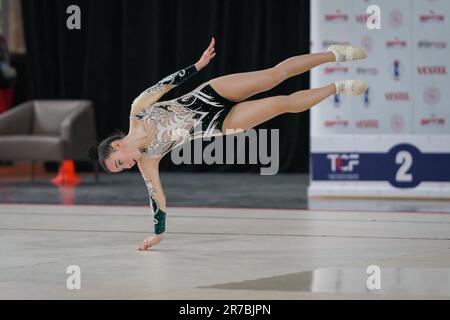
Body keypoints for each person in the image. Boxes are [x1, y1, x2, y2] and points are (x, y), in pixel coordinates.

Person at [88, 37, 368, 250]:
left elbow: (166, 84)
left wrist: (197, 66)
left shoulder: (138, 109)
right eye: (122, 169)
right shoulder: (148, 161)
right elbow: (156, 198)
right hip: (219, 124)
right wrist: (159, 232)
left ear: (117, 146)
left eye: (119, 164)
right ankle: (337, 87)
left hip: (208, 95)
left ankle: (334, 54)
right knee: (281, 104)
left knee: (273, 76)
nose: (127, 167)